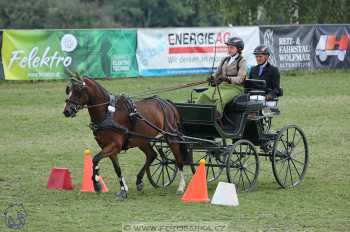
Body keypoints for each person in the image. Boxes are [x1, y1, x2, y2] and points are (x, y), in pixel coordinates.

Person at [196, 37, 248, 114]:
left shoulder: (242, 61)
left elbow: (240, 79)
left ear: (239, 49)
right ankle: (199, 114)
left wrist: (227, 79)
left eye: (232, 48)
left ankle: (216, 117)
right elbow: (217, 73)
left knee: (221, 99)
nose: (229, 49)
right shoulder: (225, 59)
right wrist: (212, 77)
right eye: (228, 47)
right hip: (222, 86)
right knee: (204, 95)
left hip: (236, 88)